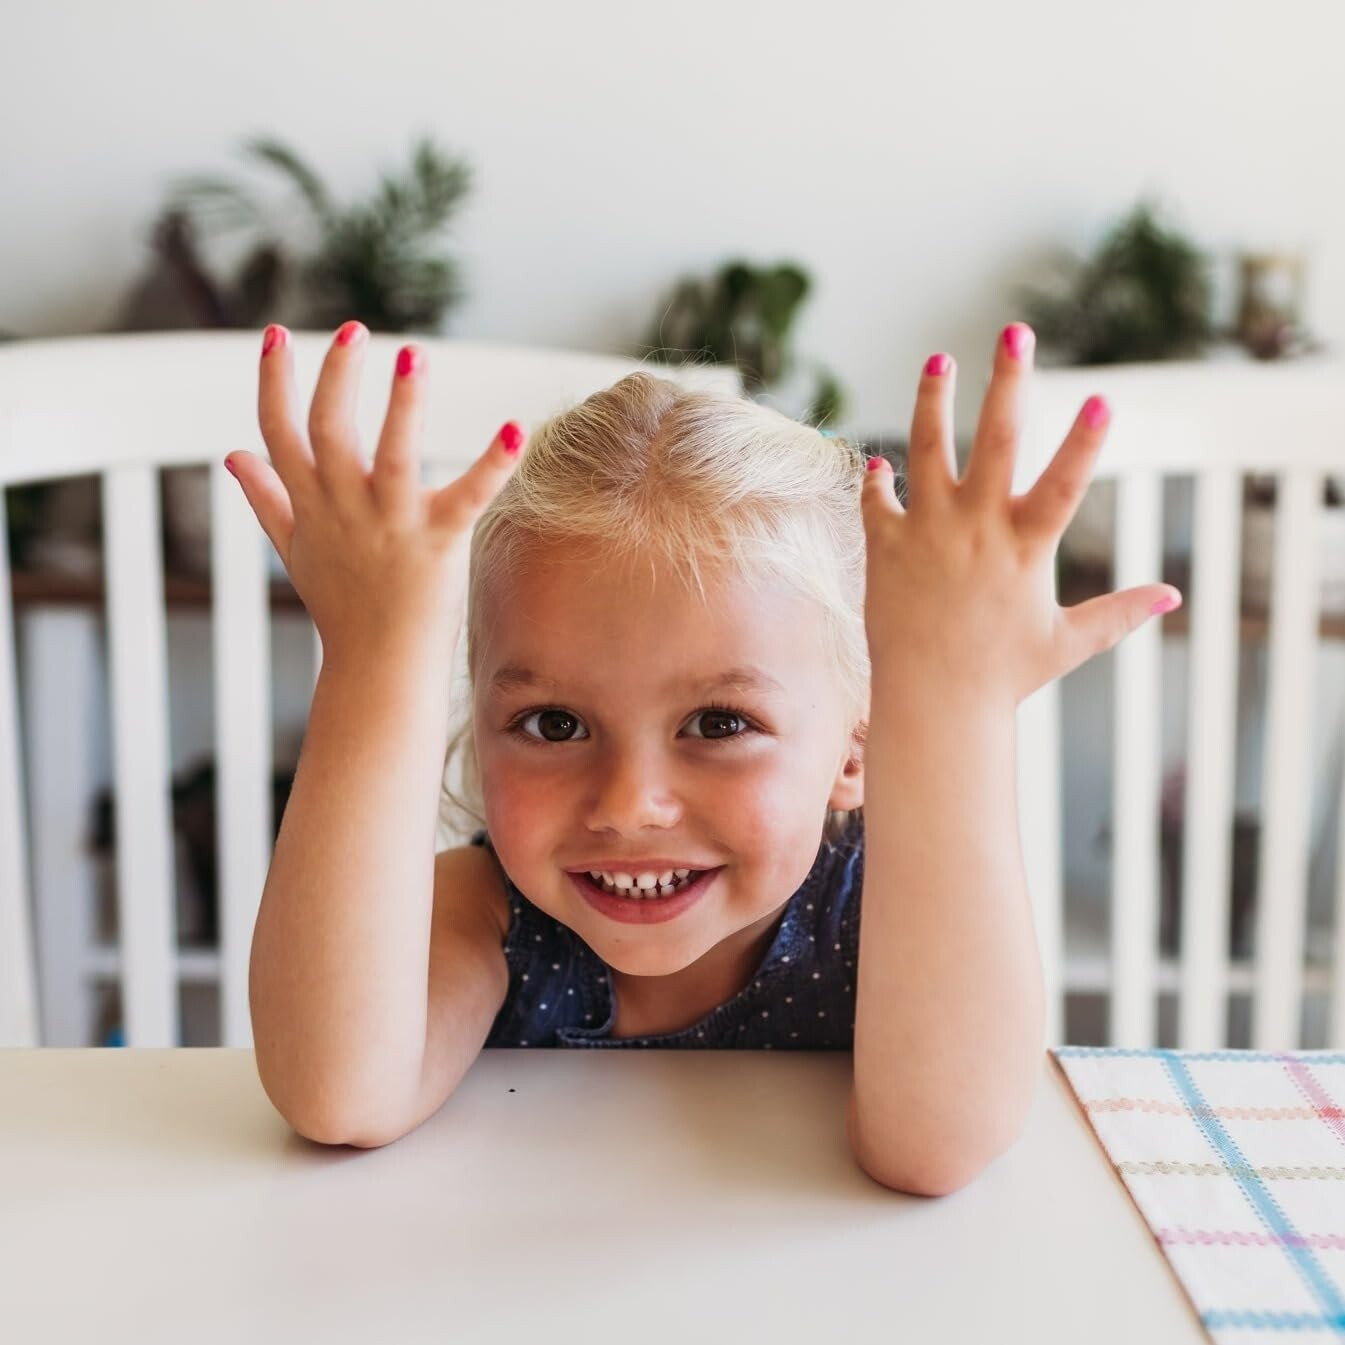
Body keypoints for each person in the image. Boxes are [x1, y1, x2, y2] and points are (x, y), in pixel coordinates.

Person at [238, 318, 1181, 1191]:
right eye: (555, 724)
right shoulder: (488, 914)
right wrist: (374, 653)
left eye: (719, 724)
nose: (630, 803)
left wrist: (954, 703)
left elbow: (935, 1147)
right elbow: (338, 1098)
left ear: (856, 748)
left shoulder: (888, 912)